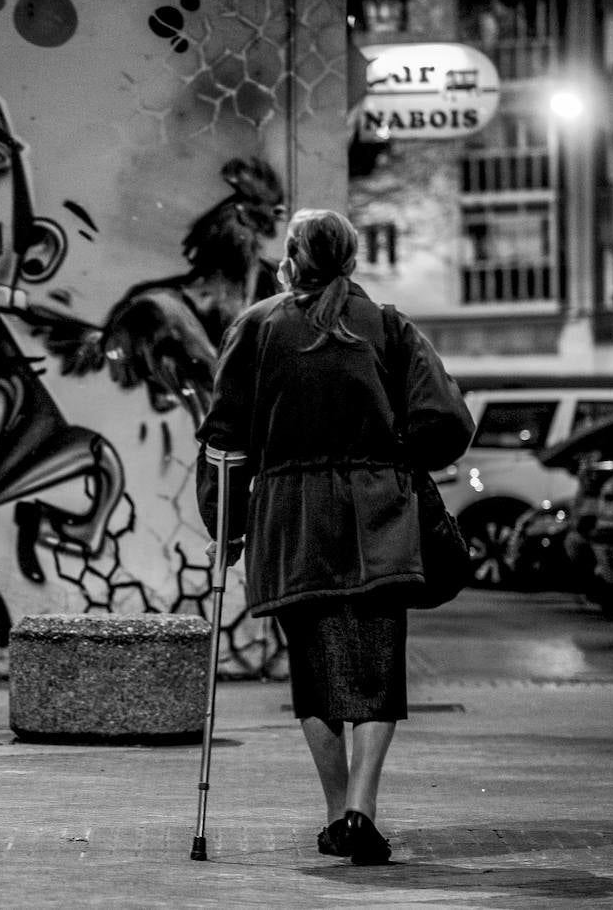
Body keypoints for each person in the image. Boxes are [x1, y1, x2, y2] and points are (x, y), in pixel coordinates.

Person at [195, 208, 474, 865]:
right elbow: (449, 421)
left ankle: (334, 815)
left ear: (290, 259)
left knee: (315, 675)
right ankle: (361, 811)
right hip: (376, 517)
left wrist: (226, 525)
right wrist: (392, 453)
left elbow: (223, 440)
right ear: (350, 259)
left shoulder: (256, 328)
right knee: (377, 672)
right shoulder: (387, 326)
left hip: (290, 523)